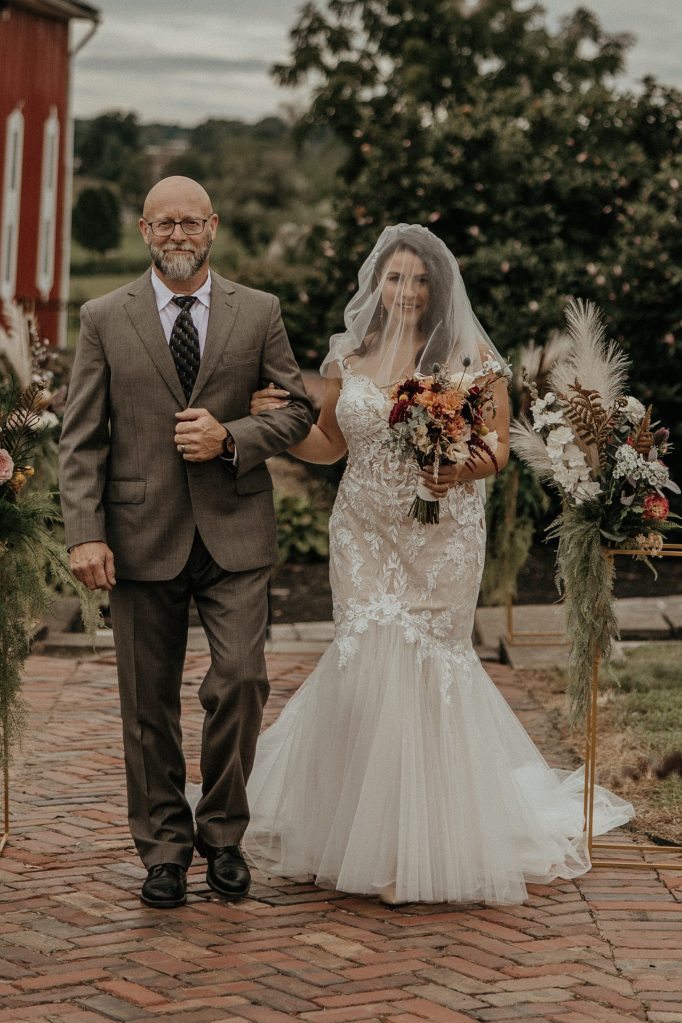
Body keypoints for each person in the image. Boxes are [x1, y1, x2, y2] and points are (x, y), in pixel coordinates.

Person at [243, 224, 633, 906]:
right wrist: (276, 427)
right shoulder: (350, 356)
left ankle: (415, 844)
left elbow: (498, 450)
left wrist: (462, 465)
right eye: (395, 277)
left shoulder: (472, 356)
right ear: (377, 283)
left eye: (419, 279)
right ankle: (352, 829)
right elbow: (331, 443)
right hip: (361, 530)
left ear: (438, 287)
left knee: (425, 668)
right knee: (363, 664)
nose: (406, 290)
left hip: (441, 534)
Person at [59, 176, 313, 909]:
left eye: (191, 223)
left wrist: (231, 436)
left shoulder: (257, 311)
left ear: (213, 227)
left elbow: (297, 408)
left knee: (240, 679)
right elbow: (81, 439)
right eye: (164, 223)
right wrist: (84, 534)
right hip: (141, 534)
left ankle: (224, 835)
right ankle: (165, 849)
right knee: (147, 703)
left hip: (235, 529)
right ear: (143, 229)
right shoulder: (103, 316)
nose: (178, 234)